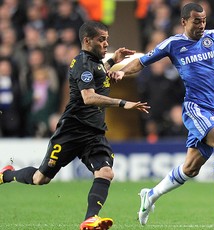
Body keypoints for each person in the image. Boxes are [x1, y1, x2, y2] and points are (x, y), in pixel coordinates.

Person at [0, 21, 150, 230]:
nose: (106, 43)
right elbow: (88, 97)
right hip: (71, 131)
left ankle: (90, 219)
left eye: (107, 39)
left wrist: (113, 61)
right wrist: (123, 103)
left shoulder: (96, 62)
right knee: (40, 178)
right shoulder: (81, 63)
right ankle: (7, 174)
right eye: (101, 39)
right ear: (87, 41)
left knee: (105, 172)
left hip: (94, 133)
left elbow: (99, 73)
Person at [108, 2, 214, 225]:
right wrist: (122, 72)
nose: (202, 25)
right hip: (195, 107)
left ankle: (150, 195)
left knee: (191, 168)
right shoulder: (173, 44)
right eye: (196, 21)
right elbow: (141, 61)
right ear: (184, 21)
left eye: (203, 20)